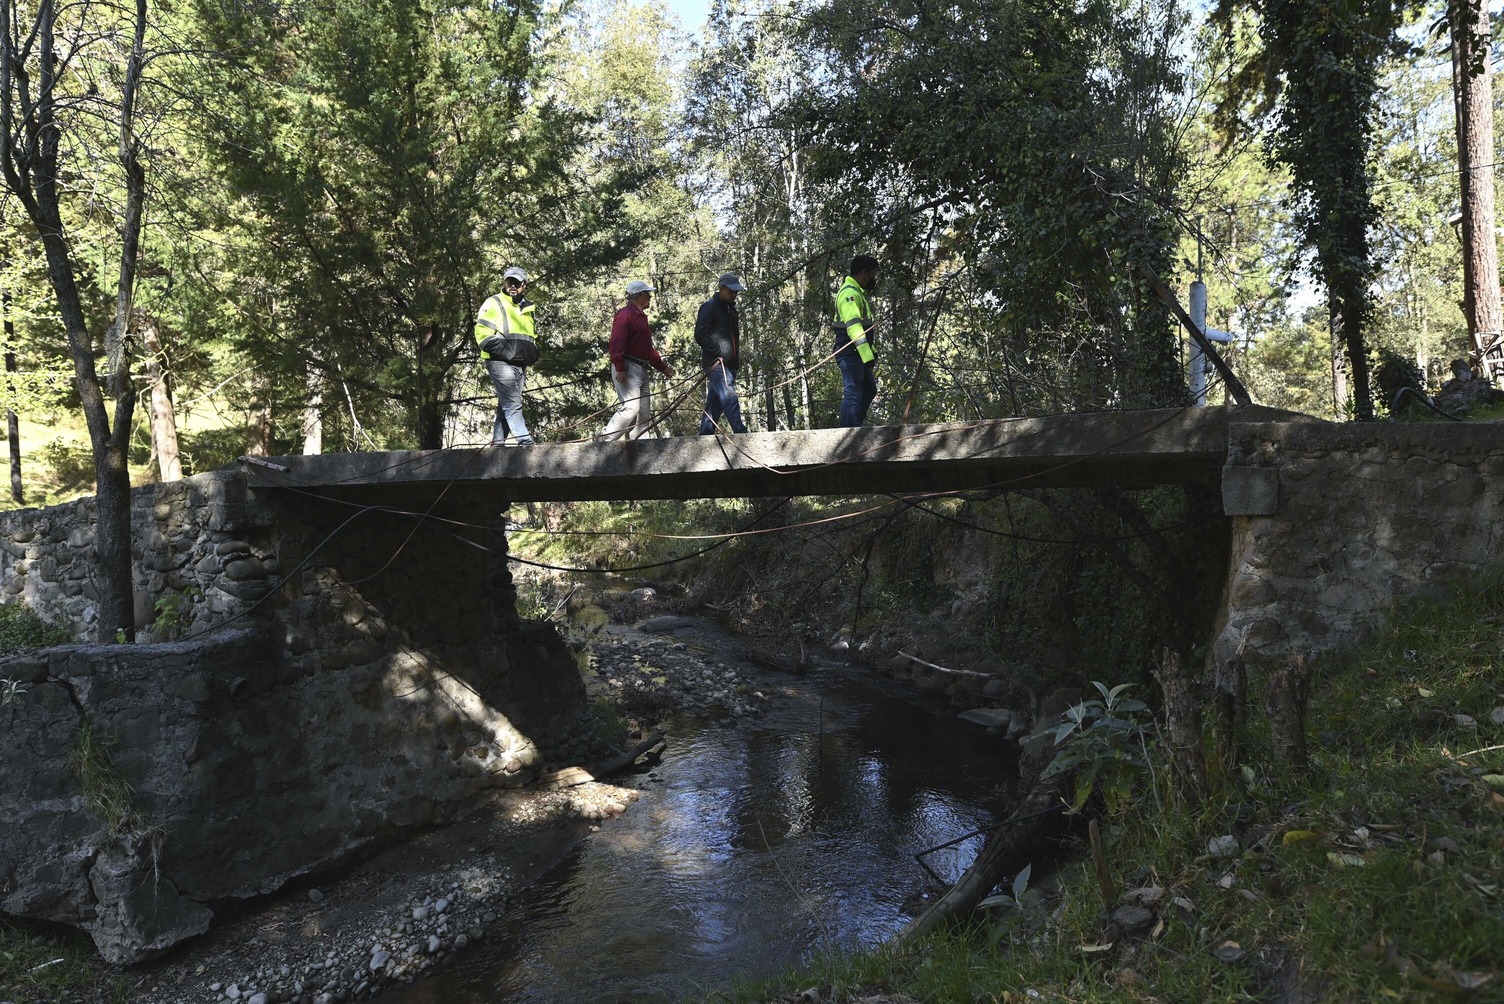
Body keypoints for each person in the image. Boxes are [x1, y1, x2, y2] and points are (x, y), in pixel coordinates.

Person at [600, 279, 675, 440]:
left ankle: (641, 442)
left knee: (644, 411)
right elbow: (617, 342)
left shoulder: (640, 317)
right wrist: (620, 367)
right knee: (631, 407)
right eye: (647, 294)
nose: (650, 297)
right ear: (640, 295)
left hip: (642, 368)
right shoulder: (625, 315)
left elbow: (647, 349)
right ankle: (605, 440)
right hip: (628, 367)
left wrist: (663, 368)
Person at [474, 265, 538, 446]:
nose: (512, 286)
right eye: (509, 281)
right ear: (504, 282)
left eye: (516, 282)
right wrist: (509, 352)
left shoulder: (529, 308)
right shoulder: (493, 303)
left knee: (507, 404)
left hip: (520, 362)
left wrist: (533, 352)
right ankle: (525, 441)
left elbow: (531, 336)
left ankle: (498, 443)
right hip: (498, 361)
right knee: (512, 402)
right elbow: (482, 336)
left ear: (524, 285)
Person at [694, 272, 749, 435]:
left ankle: (705, 435)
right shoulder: (709, 307)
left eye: (736, 292)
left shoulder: (731, 311)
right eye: (731, 291)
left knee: (715, 404)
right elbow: (700, 334)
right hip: (716, 363)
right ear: (721, 288)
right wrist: (719, 352)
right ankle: (741, 432)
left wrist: (734, 361)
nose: (734, 295)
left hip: (730, 364)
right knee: (728, 394)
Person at [833, 254, 879, 427]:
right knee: (852, 393)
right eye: (872, 275)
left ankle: (855, 425)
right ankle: (847, 432)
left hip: (858, 354)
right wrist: (867, 355)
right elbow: (854, 328)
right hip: (850, 353)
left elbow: (864, 328)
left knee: (869, 390)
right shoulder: (849, 295)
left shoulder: (858, 293)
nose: (873, 279)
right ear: (864, 273)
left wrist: (871, 352)